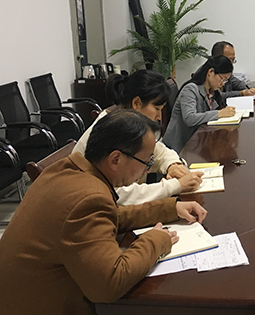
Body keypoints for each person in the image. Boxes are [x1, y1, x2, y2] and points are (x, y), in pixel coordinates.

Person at [0, 110, 207, 315]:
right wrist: (157, 240)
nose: (146, 170)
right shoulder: (89, 198)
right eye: (147, 162)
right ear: (116, 159)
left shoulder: (67, 170)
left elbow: (111, 217)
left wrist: (170, 208)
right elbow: (110, 284)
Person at [73, 70, 202, 205]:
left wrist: (173, 165)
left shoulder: (130, 124)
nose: (159, 117)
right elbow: (119, 195)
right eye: (157, 109)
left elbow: (160, 151)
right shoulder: (110, 131)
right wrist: (175, 186)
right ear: (136, 103)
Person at [163, 55, 236, 153]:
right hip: (180, 148)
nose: (223, 83)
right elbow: (189, 118)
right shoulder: (190, 89)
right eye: (222, 79)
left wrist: (242, 93)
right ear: (211, 72)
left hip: (197, 142)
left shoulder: (211, 91)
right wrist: (220, 114)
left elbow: (222, 97)